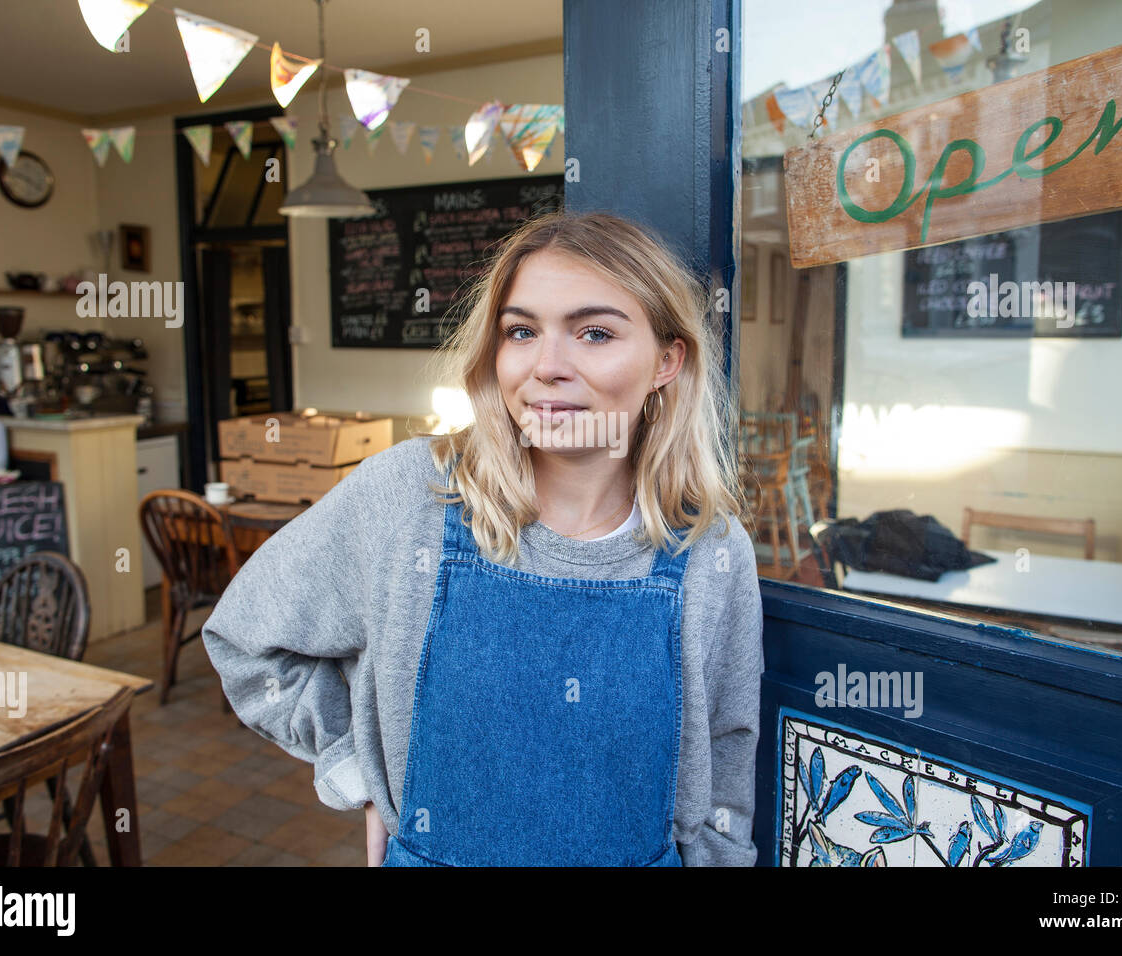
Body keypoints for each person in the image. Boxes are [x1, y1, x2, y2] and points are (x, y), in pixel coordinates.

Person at [202, 210, 764, 866]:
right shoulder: (413, 494)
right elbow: (246, 639)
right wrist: (359, 775)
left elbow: (726, 756)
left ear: (667, 360)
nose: (547, 366)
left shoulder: (710, 550)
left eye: (594, 332)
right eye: (521, 331)